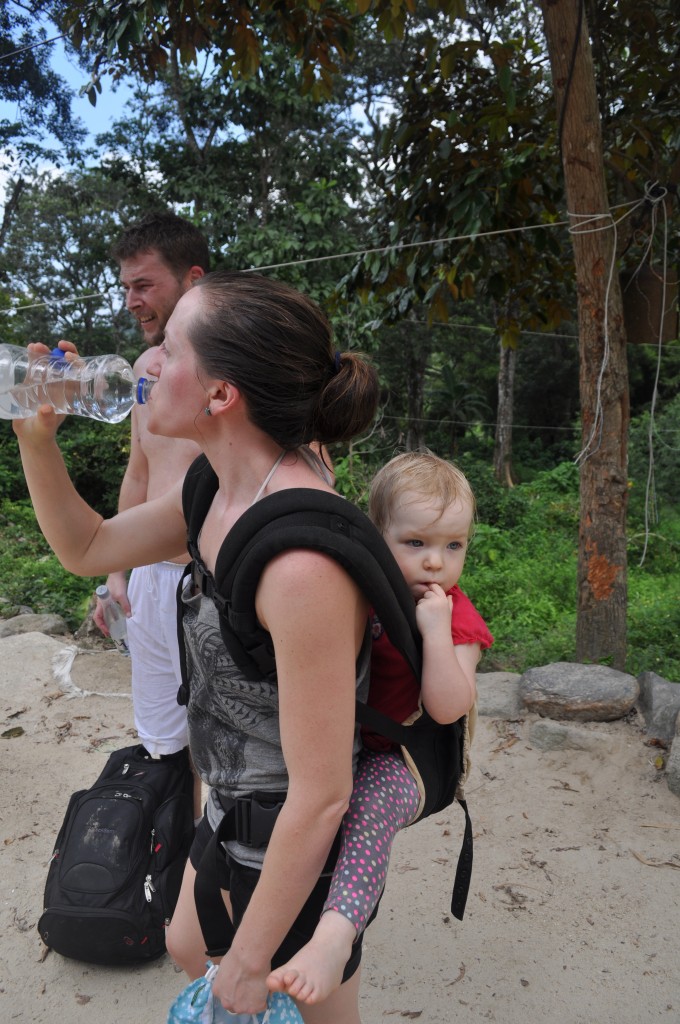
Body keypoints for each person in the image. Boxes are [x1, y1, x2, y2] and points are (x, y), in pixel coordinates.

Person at [14, 270, 380, 1024]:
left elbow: (323, 796)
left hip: (295, 835)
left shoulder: (301, 566)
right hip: (231, 798)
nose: (143, 365)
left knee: (302, 1003)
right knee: (187, 941)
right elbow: (89, 546)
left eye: (169, 349)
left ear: (221, 397)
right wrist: (35, 438)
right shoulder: (213, 489)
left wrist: (248, 965)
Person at [268, 450, 493, 1005]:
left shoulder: (456, 616)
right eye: (415, 543)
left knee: (366, 809)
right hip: (347, 741)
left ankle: (335, 936)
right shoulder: (359, 593)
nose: (436, 562)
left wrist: (436, 634)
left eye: (453, 545)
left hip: (408, 760)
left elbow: (447, 707)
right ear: (376, 537)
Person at [93, 213, 208, 811]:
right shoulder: (141, 371)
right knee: (164, 748)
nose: (131, 301)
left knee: (235, 747)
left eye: (144, 285)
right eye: (125, 288)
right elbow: (139, 470)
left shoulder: (235, 363)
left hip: (213, 580)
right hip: (150, 582)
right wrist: (116, 573)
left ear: (192, 278)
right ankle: (174, 879)